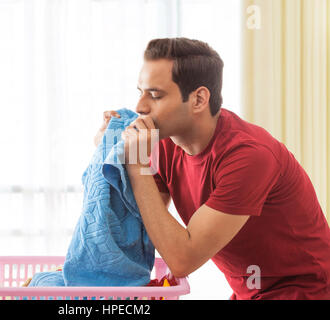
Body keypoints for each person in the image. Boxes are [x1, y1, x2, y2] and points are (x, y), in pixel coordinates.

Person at [94, 38, 330, 300]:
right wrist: (109, 150)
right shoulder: (167, 143)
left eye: (155, 95)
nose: (140, 107)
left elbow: (183, 259)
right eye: (140, 92)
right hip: (248, 292)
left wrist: (137, 166)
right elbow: (141, 218)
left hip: (305, 292)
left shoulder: (249, 157)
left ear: (198, 99)